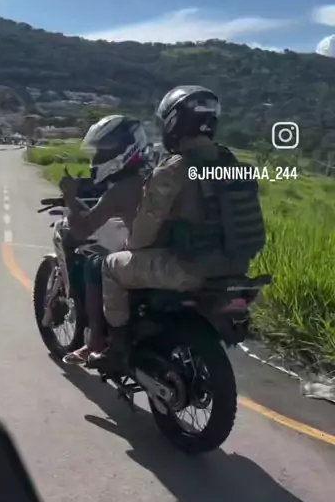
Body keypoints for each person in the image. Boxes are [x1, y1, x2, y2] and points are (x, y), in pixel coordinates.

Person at [91, 85, 266, 373]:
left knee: (111, 266)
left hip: (189, 268)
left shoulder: (173, 169)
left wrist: (128, 246)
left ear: (173, 123)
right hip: (236, 266)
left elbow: (143, 233)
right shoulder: (230, 162)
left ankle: (117, 348)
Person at [58, 115, 151, 364]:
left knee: (94, 263)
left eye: (105, 150)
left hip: (146, 257)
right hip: (169, 250)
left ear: (125, 150)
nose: (98, 157)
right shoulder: (154, 175)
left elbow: (81, 230)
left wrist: (70, 197)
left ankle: (95, 342)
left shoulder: (121, 189)